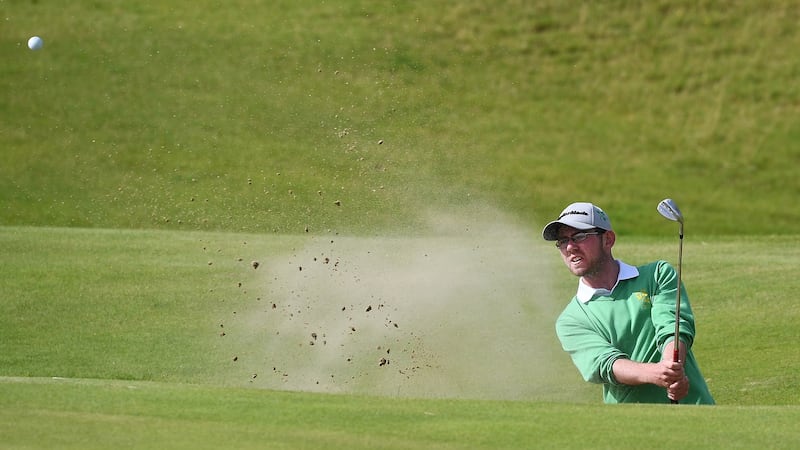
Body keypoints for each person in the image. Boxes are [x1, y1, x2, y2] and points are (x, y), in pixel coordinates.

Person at [542, 202, 715, 404]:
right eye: (562, 241)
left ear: (608, 239)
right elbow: (606, 364)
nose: (570, 247)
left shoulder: (657, 275)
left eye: (579, 236)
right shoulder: (571, 319)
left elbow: (672, 327)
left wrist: (670, 366)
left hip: (696, 414)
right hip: (629, 427)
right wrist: (660, 374)